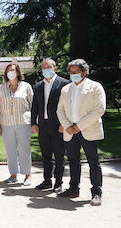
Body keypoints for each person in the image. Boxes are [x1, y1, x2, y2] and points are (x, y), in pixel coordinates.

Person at [56, 59, 106, 206]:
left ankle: (96, 192)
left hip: (88, 130)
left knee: (93, 162)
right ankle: (73, 188)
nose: (73, 75)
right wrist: (67, 126)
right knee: (73, 161)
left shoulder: (95, 87)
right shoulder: (66, 89)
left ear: (84, 72)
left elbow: (99, 109)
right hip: (70, 131)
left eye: (76, 72)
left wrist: (78, 126)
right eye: (71, 72)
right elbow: (60, 110)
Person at [31, 58, 69, 192]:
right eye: (43, 68)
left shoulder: (64, 84)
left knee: (59, 155)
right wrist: (33, 123)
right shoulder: (38, 86)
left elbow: (67, 107)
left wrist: (65, 124)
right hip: (43, 125)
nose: (46, 70)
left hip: (58, 125)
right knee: (45, 155)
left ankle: (58, 183)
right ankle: (47, 180)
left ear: (55, 68)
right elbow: (34, 106)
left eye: (48, 67)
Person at [0, 63, 34, 186]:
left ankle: (27, 175)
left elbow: (33, 104)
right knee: (10, 149)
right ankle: (13, 174)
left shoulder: (26, 86)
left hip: (23, 122)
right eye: (8, 71)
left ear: (18, 72)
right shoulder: (1, 88)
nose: (10, 73)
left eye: (12, 70)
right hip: (6, 123)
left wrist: (34, 122)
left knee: (24, 149)